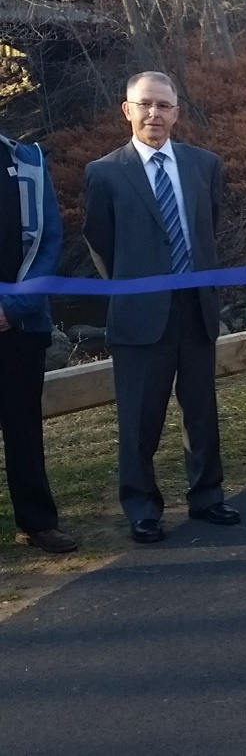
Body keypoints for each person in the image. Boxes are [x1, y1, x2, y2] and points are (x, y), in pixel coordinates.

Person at [83, 71, 239, 544]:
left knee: (201, 409)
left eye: (164, 106)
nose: (155, 114)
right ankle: (142, 507)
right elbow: (99, 241)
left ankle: (207, 496)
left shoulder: (203, 164)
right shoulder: (105, 172)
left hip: (196, 307)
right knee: (139, 417)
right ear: (127, 110)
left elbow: (207, 224)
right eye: (145, 105)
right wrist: (133, 287)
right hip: (138, 314)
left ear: (176, 112)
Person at [0, 134, 77, 555]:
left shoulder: (27, 160)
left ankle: (37, 523)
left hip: (20, 325)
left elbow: (48, 241)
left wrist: (15, 307)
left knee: (23, 428)